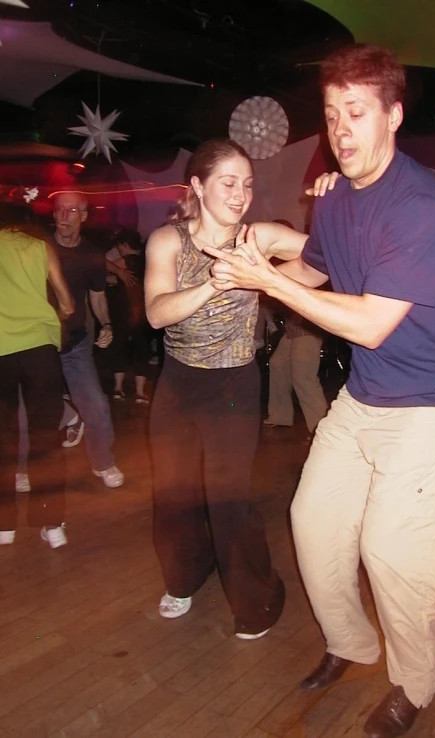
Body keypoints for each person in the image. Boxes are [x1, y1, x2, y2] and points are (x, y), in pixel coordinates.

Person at [208, 44, 435, 737]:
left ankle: (417, 682)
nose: (340, 129)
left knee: (393, 549)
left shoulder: (423, 205)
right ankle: (353, 643)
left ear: (393, 116)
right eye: (332, 114)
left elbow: (368, 324)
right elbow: (313, 271)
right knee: (314, 521)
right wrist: (265, 263)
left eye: (356, 112)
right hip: (366, 398)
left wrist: (266, 283)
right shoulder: (336, 198)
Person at [144, 139, 306, 637]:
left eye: (248, 184)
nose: (241, 194)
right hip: (178, 382)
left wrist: (274, 283)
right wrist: (217, 281)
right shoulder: (167, 241)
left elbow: (331, 256)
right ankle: (186, 577)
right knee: (173, 493)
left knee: (229, 499)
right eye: (228, 183)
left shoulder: (259, 237)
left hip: (233, 383)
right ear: (197, 185)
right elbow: (156, 313)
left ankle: (257, 601)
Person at [0, 202, 74, 548]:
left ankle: (4, 527)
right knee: (47, 437)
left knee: (3, 438)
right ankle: (52, 524)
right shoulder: (40, 248)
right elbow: (68, 304)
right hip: (39, 350)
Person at [51, 192, 124, 488]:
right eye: (60, 210)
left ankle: (103, 462)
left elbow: (96, 295)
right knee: (23, 404)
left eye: (72, 210)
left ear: (84, 216)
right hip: (38, 339)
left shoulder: (92, 255)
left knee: (95, 403)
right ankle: (25, 467)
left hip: (74, 342)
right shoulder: (38, 247)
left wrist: (106, 323)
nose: (64, 215)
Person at [263, 307, 328, 437]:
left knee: (304, 379)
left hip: (307, 329)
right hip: (293, 330)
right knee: (278, 364)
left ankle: (322, 429)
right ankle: (281, 416)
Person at [105, 229, 151, 404]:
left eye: (120, 247)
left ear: (124, 245)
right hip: (143, 312)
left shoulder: (127, 260)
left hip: (123, 311)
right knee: (142, 349)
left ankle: (118, 389)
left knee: (120, 347)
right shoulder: (147, 260)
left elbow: (102, 267)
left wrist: (116, 273)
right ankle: (139, 392)